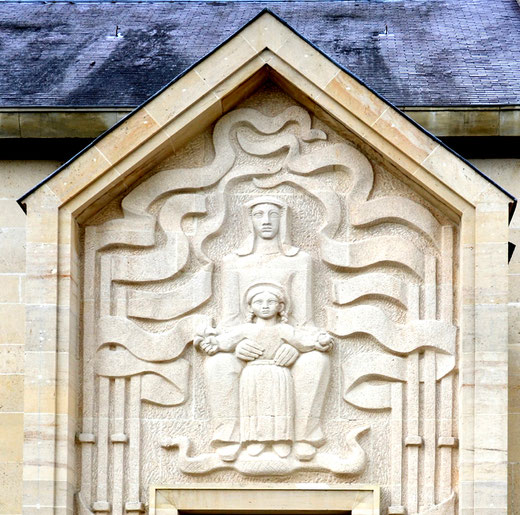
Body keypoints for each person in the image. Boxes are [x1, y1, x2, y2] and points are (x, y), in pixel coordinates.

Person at [200, 196, 331, 462]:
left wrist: (297, 345)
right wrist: (236, 345)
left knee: (316, 361)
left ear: (284, 220)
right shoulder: (233, 262)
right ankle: (231, 435)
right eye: (259, 215)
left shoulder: (300, 260)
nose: (267, 221)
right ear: (250, 221)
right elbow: (230, 321)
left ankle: (303, 435)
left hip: (286, 339)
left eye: (273, 214)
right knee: (217, 365)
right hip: (248, 342)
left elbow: (303, 321)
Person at [198, 282, 331, 458]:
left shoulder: (285, 329)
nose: (265, 306)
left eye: (271, 301)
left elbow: (305, 340)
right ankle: (254, 439)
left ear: (280, 306)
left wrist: (319, 342)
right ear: (250, 307)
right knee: (254, 405)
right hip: (253, 374)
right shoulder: (245, 329)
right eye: (259, 302)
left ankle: (282, 439)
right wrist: (211, 344)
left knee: (279, 405)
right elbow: (222, 342)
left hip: (278, 374)